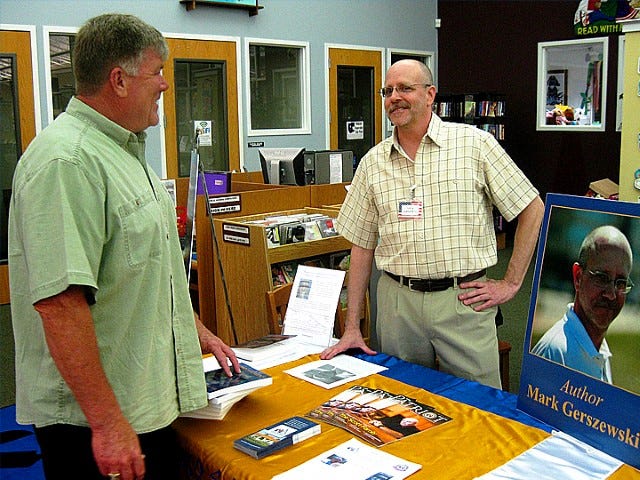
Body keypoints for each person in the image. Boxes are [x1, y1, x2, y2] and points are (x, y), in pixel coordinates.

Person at [8, 13, 240, 480]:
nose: (164, 86)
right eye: (157, 73)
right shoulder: (67, 162)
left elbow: (150, 269)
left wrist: (197, 330)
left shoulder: (125, 152)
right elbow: (60, 304)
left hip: (142, 402)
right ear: (118, 79)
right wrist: (109, 425)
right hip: (95, 424)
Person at [321, 59, 544, 389]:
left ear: (430, 95)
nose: (394, 97)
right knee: (402, 405)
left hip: (462, 301)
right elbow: (361, 245)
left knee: (480, 408)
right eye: (388, 90)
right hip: (397, 305)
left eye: (405, 88)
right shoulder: (372, 163)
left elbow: (532, 208)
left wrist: (511, 284)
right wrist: (352, 326)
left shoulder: (474, 145)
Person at [531, 225, 633, 383]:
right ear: (578, 277)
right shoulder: (555, 353)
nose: (611, 294)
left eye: (620, 283)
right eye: (601, 278)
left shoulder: (599, 350)